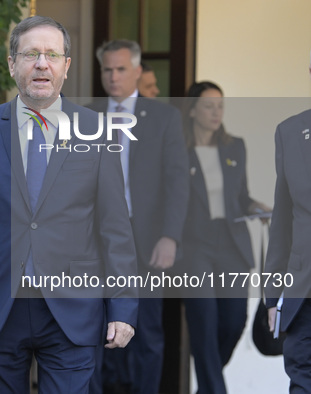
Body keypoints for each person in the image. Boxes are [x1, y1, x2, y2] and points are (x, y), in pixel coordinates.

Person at [0, 16, 139, 394]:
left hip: (73, 310)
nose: (41, 63)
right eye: (31, 54)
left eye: (52, 54)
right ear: (13, 65)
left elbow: (115, 228)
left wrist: (123, 307)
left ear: (66, 66)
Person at [88, 39, 189, 394]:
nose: (113, 77)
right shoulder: (85, 116)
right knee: (96, 328)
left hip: (146, 239)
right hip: (95, 242)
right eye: (106, 70)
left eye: (120, 69)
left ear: (137, 71)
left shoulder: (164, 117)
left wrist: (170, 236)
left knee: (146, 330)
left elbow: (178, 182)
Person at [181, 81, 270, 394]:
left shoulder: (235, 146)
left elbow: (240, 196)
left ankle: (207, 387)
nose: (217, 112)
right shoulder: (179, 149)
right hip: (195, 246)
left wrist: (256, 205)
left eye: (220, 105)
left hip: (231, 243)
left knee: (233, 323)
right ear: (192, 110)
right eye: (209, 105)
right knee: (204, 324)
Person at [266, 56, 311, 392]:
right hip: (303, 290)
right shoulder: (290, 132)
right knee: (302, 379)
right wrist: (272, 296)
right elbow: (281, 222)